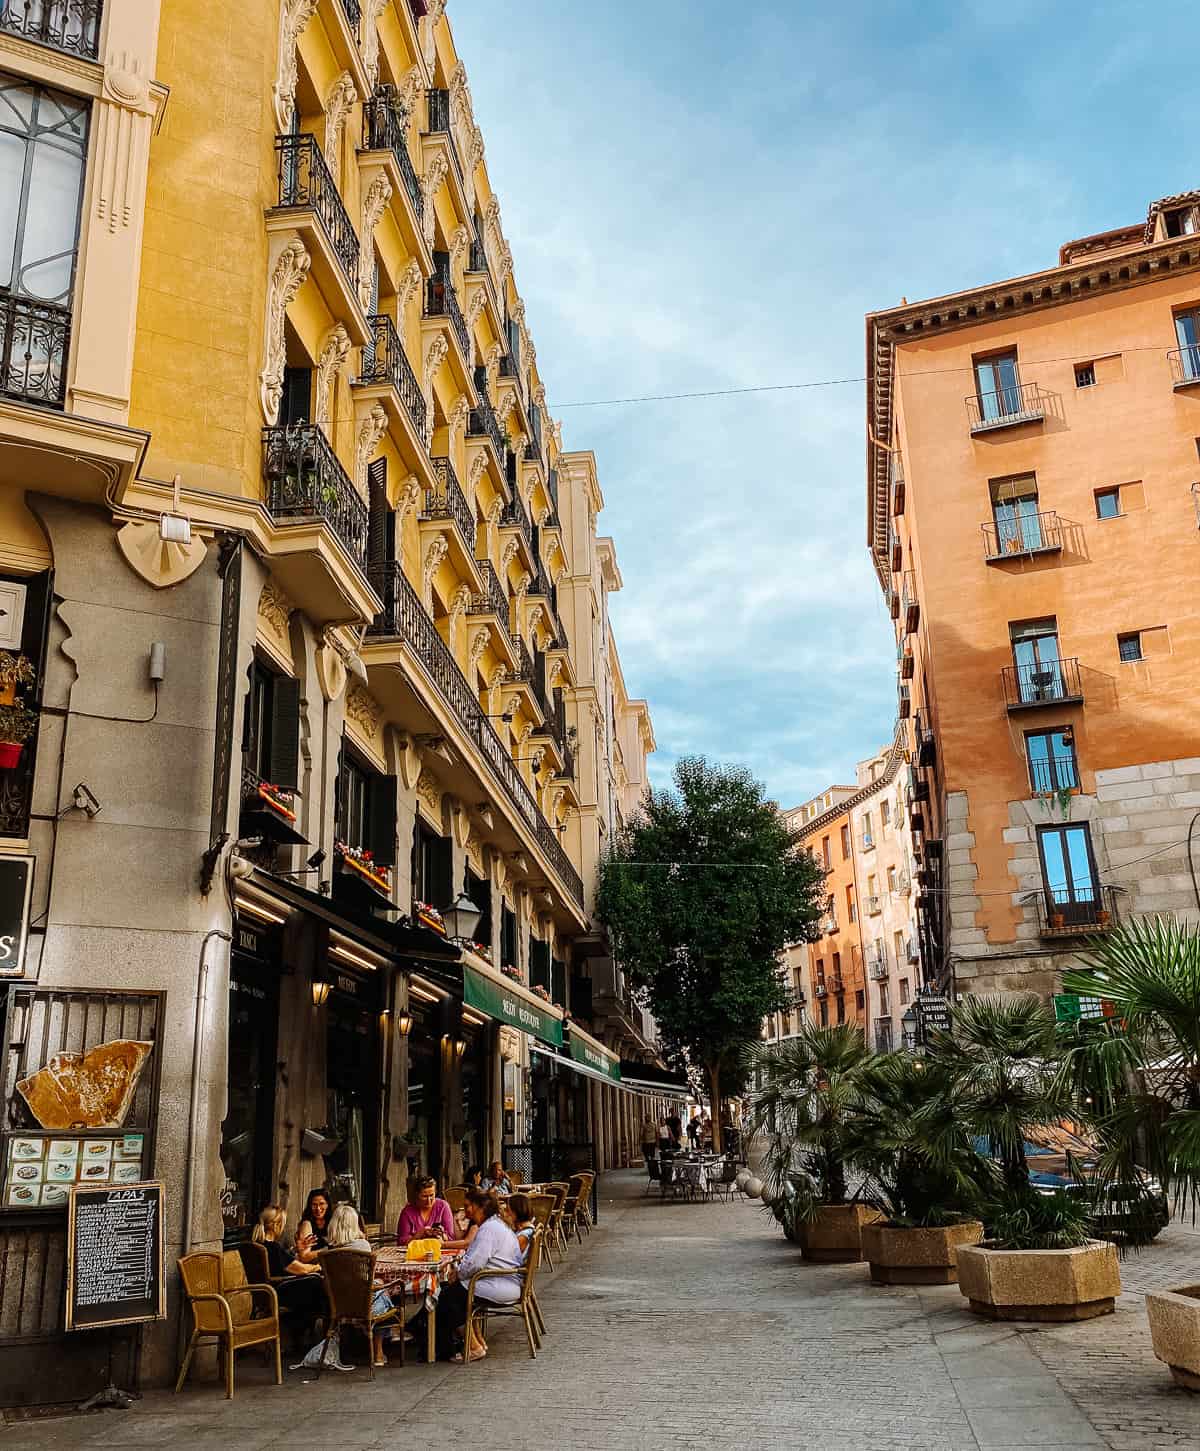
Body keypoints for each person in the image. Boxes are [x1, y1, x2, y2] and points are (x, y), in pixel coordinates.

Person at [436, 1188, 524, 1362]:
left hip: (501, 1284)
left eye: (468, 1206)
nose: (465, 1210)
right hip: (502, 1281)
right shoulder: (493, 1225)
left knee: (449, 1297)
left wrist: (458, 1274)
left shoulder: (489, 1229)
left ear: (480, 1206)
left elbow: (475, 1262)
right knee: (453, 1292)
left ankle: (473, 1346)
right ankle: (477, 1341)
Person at [325, 1202, 398, 1368]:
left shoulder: (328, 1251)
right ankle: (379, 1351)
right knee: (384, 1293)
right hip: (365, 1307)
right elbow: (368, 1280)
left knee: (380, 1291)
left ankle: (376, 1340)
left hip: (339, 1306)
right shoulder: (362, 1246)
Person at [251, 1204, 325, 1320]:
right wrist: (318, 1267)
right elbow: (301, 1269)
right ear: (277, 1225)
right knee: (319, 1283)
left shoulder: (259, 1245)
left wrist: (296, 1249)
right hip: (280, 1291)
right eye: (283, 1225)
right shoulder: (274, 1247)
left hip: (266, 1291)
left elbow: (280, 1260)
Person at [396, 1176, 456, 1245]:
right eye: (424, 1196)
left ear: (435, 1192)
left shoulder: (443, 1207)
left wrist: (440, 1235)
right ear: (417, 1195)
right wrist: (419, 1234)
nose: (429, 1200)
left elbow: (451, 1237)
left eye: (431, 1195)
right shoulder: (407, 1212)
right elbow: (401, 1242)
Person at [295, 1187, 332, 1264]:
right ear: (310, 1206)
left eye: (321, 1204)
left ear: (327, 1205)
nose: (318, 1208)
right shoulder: (307, 1224)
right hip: (313, 1269)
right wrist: (328, 1249)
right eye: (314, 1205)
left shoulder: (333, 1221)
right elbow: (304, 1257)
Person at [505, 1192, 535, 1260]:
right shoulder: (526, 1227)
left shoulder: (523, 1235)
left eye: (508, 1210)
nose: (506, 1214)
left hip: (509, 1268)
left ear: (516, 1211)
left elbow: (507, 1256)